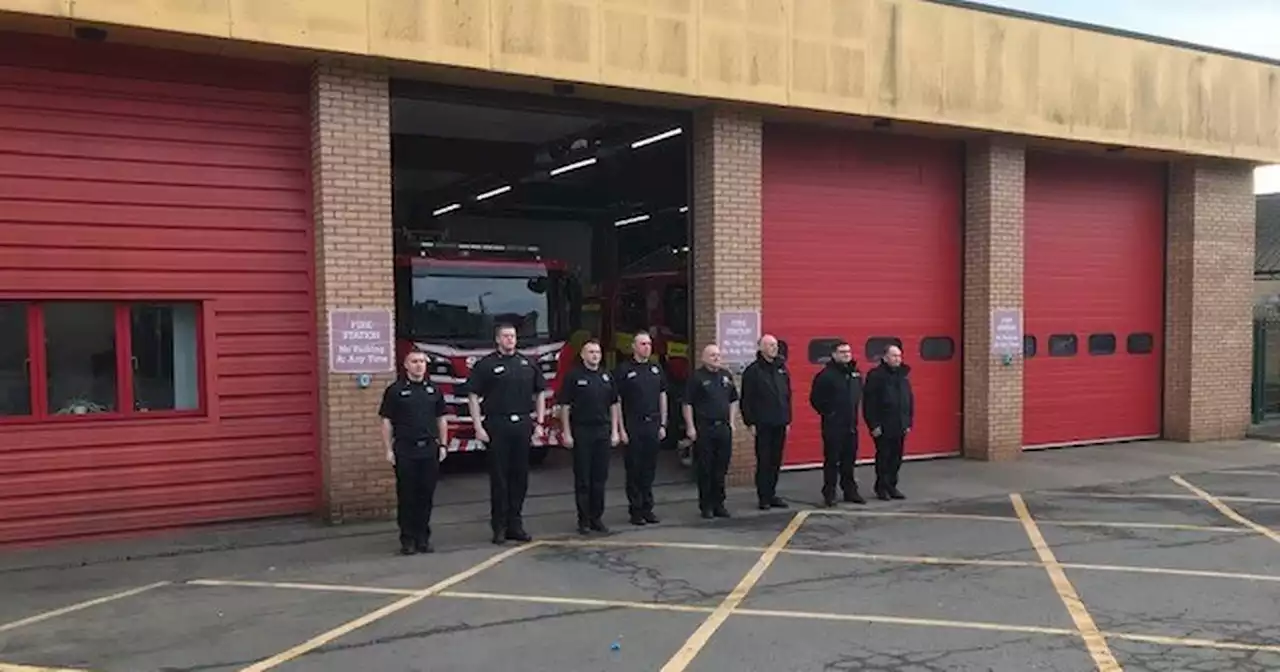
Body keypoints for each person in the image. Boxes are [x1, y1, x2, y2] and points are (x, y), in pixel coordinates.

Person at [467, 323, 547, 544]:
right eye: (506, 336)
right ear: (497, 339)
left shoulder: (527, 363)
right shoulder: (486, 365)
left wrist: (539, 423)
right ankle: (499, 527)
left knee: (520, 478)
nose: (510, 339)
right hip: (497, 424)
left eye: (512, 336)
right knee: (500, 479)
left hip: (522, 424)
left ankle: (516, 525)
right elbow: (473, 396)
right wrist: (478, 427)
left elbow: (540, 392)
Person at [378, 348, 449, 555]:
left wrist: (443, 445)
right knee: (407, 496)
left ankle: (423, 539)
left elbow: (441, 418)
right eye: (415, 361)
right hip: (405, 449)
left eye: (422, 362)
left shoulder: (433, 390)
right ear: (406, 365)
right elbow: (386, 421)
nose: (419, 365)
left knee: (425, 496)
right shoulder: (395, 390)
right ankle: (407, 540)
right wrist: (388, 449)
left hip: (429, 449)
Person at [558, 339, 621, 535]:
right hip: (582, 431)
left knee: (599, 478)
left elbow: (614, 404)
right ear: (583, 355)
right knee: (583, 478)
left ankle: (597, 518)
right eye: (591, 352)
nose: (595, 355)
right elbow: (565, 406)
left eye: (597, 352)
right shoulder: (573, 376)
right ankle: (583, 520)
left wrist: (616, 430)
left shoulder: (606, 376)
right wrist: (566, 432)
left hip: (602, 430)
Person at [614, 331, 668, 526]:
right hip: (633, 425)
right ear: (634, 347)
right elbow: (617, 401)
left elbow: (663, 396)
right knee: (634, 469)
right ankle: (635, 510)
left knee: (649, 469)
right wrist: (620, 429)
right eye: (643, 344)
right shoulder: (623, 370)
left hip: (652, 424)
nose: (647, 347)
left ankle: (648, 508)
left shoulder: (656, 369)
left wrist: (663, 423)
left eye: (649, 344)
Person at [683, 343, 739, 519]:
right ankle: (706, 505)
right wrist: (690, 427)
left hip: (723, 428)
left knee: (721, 468)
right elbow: (687, 403)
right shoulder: (696, 378)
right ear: (704, 358)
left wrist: (731, 422)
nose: (717, 358)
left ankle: (719, 504)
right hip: (705, 428)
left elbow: (733, 400)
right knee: (705, 468)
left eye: (718, 355)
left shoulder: (725, 376)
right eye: (713, 355)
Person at [808, 341, 865, 507]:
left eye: (848, 351)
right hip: (834, 425)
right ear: (834, 354)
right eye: (842, 352)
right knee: (832, 460)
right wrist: (829, 413)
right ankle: (829, 493)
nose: (846, 354)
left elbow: (858, 395)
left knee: (849, 460)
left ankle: (850, 491)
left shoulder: (855, 374)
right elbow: (815, 399)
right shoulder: (826, 376)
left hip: (851, 425)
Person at [740, 334, 792, 510]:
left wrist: (787, 419)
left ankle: (772, 493)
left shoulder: (781, 369)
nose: (774, 348)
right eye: (770, 345)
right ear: (760, 348)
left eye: (775, 345)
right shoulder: (753, 371)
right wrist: (750, 422)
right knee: (764, 461)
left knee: (776, 461)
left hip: (780, 422)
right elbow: (746, 399)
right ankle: (763, 497)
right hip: (762, 424)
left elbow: (787, 396)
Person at [862, 344, 915, 500]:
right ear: (885, 358)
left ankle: (892, 486)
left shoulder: (903, 376)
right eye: (894, 356)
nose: (897, 359)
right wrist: (874, 425)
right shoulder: (876, 376)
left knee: (896, 458)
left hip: (900, 424)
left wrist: (908, 422)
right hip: (883, 425)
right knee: (884, 457)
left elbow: (908, 400)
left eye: (899, 356)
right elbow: (869, 403)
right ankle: (881, 487)